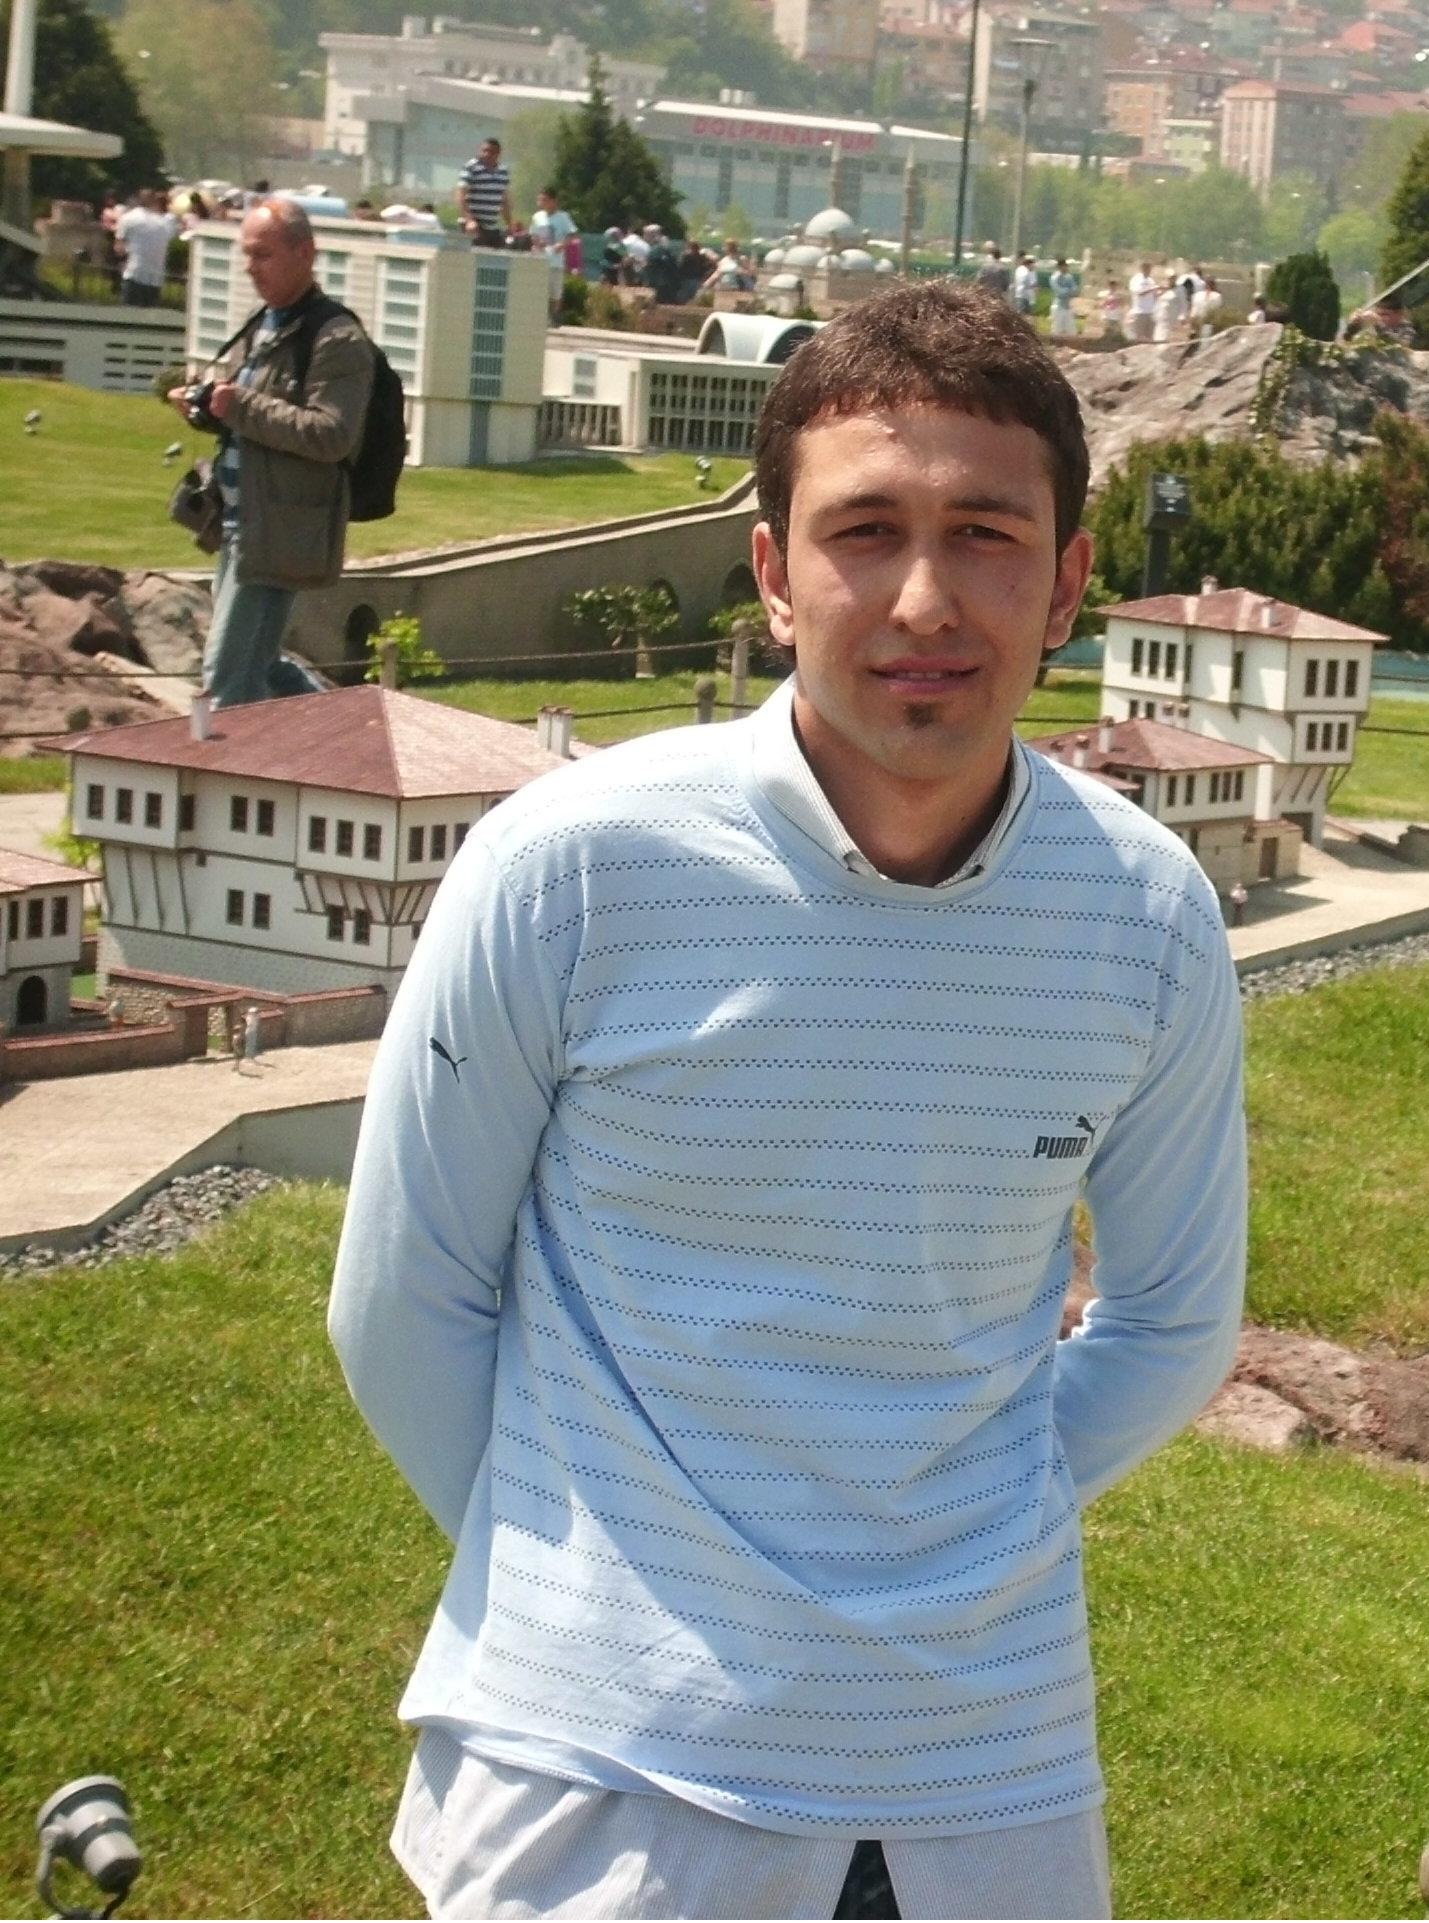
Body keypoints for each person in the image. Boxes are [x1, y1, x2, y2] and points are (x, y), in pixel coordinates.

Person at [329, 277, 1247, 1923]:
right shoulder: (566, 869)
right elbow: (402, 1301)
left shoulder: (1147, 913)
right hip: (606, 1791)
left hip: (989, 1790)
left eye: (985, 534)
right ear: (770, 573)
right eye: (862, 531)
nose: (923, 597)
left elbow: (1175, 1321)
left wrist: (974, 1516)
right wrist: (602, 1572)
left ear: (1067, 584)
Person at [168, 200, 375, 708]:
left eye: (262, 254)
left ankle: (234, 761)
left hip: (278, 529)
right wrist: (204, 408)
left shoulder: (337, 338)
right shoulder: (261, 323)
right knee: (259, 666)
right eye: (246, 254)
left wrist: (239, 405)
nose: (249, 267)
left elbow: (332, 434)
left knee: (226, 676)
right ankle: (337, 725)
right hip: (238, 521)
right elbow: (245, 417)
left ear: (304, 253)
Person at [115, 186, 178, 307]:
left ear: (138, 199)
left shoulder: (128, 218)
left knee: (128, 313)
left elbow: (119, 249)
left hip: (134, 274)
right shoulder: (165, 223)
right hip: (156, 278)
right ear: (154, 200)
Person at [530, 185, 579, 321]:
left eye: (545, 199)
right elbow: (533, 234)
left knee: (555, 292)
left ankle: (555, 316)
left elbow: (572, 234)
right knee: (540, 290)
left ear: (553, 201)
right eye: (540, 199)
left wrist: (562, 244)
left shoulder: (563, 217)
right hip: (540, 258)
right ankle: (540, 317)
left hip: (555, 260)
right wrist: (537, 242)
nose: (542, 202)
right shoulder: (537, 217)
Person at [457, 137, 512, 248]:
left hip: (492, 226)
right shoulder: (471, 167)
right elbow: (461, 196)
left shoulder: (503, 172)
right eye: (484, 151)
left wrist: (509, 223)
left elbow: (504, 200)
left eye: (491, 152)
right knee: (476, 255)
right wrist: (469, 220)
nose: (487, 154)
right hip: (474, 226)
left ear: (498, 154)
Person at [643, 222, 682, 304]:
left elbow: (652, 265)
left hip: (660, 287)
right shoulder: (666, 246)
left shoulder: (657, 249)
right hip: (669, 285)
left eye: (646, 234)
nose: (644, 237)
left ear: (652, 235)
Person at [1127, 259, 1158, 343]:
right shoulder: (1136, 279)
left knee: (1150, 338)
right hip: (1140, 312)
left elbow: (1154, 295)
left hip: (1150, 312)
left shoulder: (1151, 280)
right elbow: (1139, 292)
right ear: (1142, 268)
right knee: (1139, 337)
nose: (1149, 270)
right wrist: (1152, 289)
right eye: (1146, 268)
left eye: (1149, 268)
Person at [1048, 256, 1078, 338]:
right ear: (1060, 267)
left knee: (1072, 331)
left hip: (1068, 306)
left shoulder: (1069, 277)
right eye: (1065, 266)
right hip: (1058, 306)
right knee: (1056, 330)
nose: (1067, 268)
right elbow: (1060, 292)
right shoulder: (1054, 278)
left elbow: (1075, 289)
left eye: (1067, 266)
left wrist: (1070, 291)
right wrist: (1070, 291)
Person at [1153, 271, 1183, 343]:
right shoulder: (1162, 289)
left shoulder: (1180, 290)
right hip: (1160, 317)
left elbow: (1183, 304)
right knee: (1158, 337)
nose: (1170, 280)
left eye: (1172, 278)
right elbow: (1156, 300)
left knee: (1165, 338)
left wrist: (1181, 317)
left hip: (1171, 318)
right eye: (1169, 278)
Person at [1012, 250, 1037, 316]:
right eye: (1032, 263)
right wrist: (1033, 286)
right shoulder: (1023, 270)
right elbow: (1024, 282)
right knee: (1023, 315)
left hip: (1025, 296)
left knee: (1024, 315)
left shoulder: (1023, 270)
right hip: (1023, 296)